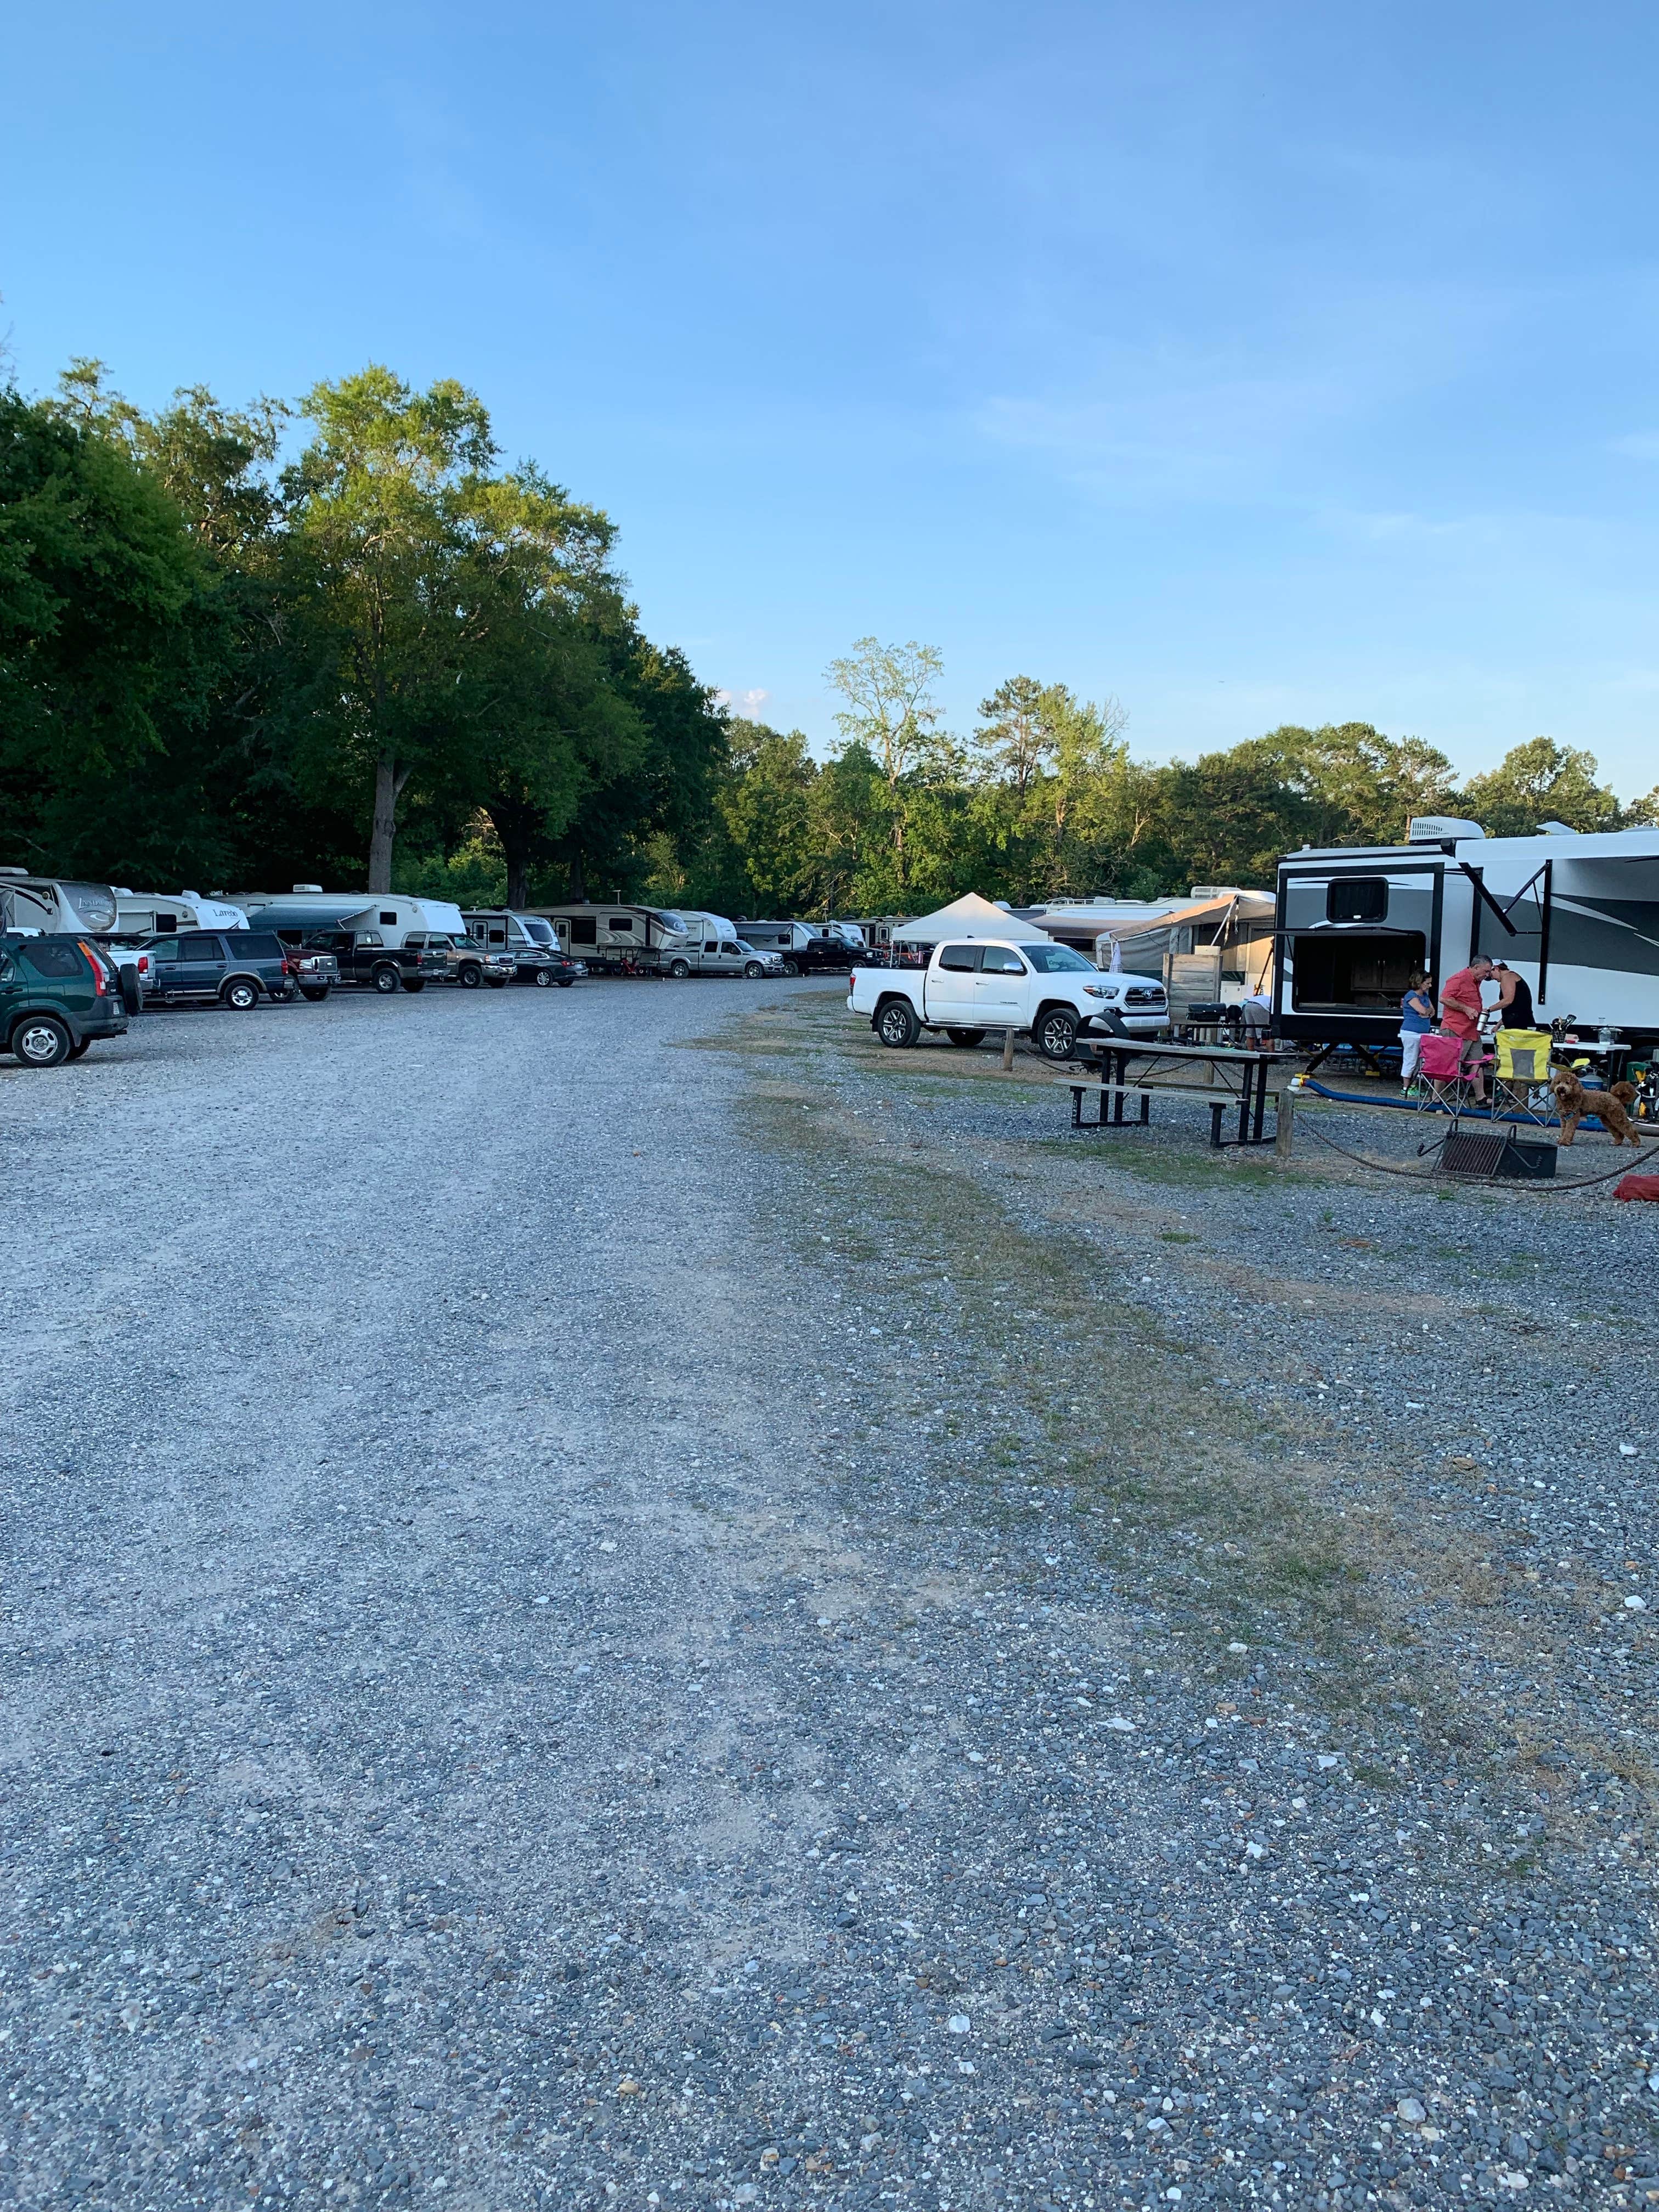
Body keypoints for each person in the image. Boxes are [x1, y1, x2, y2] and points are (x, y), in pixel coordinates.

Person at [1438, 952, 1494, 1101]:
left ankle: (1481, 1097)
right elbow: (1444, 998)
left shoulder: (1476, 981)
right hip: (1455, 1029)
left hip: (1472, 1031)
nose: (1488, 975)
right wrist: (1466, 1009)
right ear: (1476, 967)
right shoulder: (1459, 979)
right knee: (1448, 1064)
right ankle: (1436, 1097)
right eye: (1486, 971)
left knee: (1478, 1062)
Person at [1399, 970, 1435, 1086]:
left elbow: (1432, 1012)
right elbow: (1424, 1010)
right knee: (1411, 1059)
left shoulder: (1425, 996)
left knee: (1421, 1061)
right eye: (1428, 983)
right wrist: (1426, 1013)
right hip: (1411, 1033)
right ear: (1420, 983)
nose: (1430, 986)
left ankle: (1414, 1086)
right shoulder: (1411, 995)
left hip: (1423, 1033)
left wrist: (1426, 1013)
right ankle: (1406, 1087)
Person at [1493, 960, 1536, 1029]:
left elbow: (1508, 1001)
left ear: (1496, 969)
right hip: (1521, 1021)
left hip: (1519, 1025)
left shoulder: (1508, 977)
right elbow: (1514, 1008)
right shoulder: (1512, 977)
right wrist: (1498, 1025)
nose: (1492, 978)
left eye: (1491, 975)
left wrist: (1488, 1010)